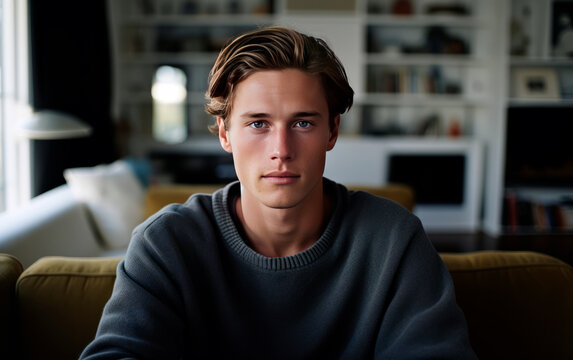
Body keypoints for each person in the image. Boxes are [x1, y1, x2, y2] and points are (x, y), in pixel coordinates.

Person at [80, 26, 476, 359]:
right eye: (258, 124)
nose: (281, 150)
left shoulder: (395, 239)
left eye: (302, 123)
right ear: (224, 133)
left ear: (332, 132)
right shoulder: (166, 243)